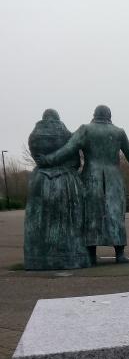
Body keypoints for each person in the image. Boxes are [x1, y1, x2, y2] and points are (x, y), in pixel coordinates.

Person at [40, 105, 129, 264]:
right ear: (109, 115)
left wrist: (48, 160)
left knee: (91, 214)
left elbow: (68, 149)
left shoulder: (85, 129)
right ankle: (119, 254)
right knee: (116, 214)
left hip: (91, 177)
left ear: (94, 115)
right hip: (114, 178)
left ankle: (91, 255)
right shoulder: (119, 132)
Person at [24, 109, 90, 270]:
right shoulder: (68, 136)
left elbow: (38, 160)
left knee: (39, 222)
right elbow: (76, 161)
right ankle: (71, 257)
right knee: (68, 221)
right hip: (66, 181)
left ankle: (36, 259)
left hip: (40, 181)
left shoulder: (33, 138)